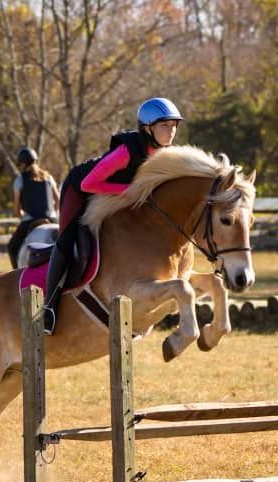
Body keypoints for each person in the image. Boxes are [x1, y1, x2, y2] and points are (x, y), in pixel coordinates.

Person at [42, 97, 183, 335]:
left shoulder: (165, 154)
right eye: (165, 126)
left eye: (174, 126)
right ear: (148, 128)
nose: (171, 132)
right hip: (80, 188)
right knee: (67, 239)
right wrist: (130, 192)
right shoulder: (126, 152)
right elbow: (89, 183)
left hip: (116, 195)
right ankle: (48, 307)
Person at [7, 147, 59, 268]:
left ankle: (17, 277)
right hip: (52, 218)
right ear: (35, 161)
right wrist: (53, 213)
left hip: (31, 219)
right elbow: (59, 200)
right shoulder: (48, 177)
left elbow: (16, 209)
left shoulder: (20, 180)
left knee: (12, 247)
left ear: (23, 164)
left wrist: (20, 215)